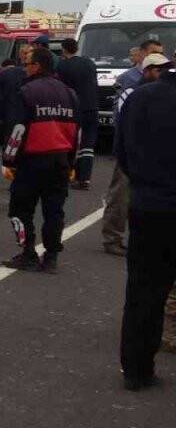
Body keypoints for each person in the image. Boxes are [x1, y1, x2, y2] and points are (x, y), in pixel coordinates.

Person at [114, 56, 176, 391]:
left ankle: (137, 369)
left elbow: (121, 152)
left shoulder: (140, 97)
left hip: (149, 205)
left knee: (144, 291)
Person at [0, 47, 78, 273]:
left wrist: (8, 161)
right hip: (60, 161)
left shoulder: (26, 92)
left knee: (19, 210)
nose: (24, 68)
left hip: (31, 161)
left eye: (27, 64)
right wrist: (71, 163)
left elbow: (16, 130)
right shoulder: (70, 93)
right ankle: (51, 257)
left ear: (37, 66)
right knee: (54, 211)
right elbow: (77, 133)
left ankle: (28, 253)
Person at [102, 41, 164, 254]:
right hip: (132, 147)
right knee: (121, 194)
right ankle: (112, 238)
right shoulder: (129, 80)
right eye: (155, 53)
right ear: (143, 54)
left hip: (153, 148)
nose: (160, 58)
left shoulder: (159, 80)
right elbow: (122, 117)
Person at [56, 38, 98, 189]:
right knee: (88, 144)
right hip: (92, 107)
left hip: (74, 108)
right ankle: (84, 178)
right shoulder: (89, 63)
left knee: (71, 143)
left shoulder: (63, 66)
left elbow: (61, 88)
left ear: (63, 49)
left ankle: (68, 175)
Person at [0, 45, 32, 146]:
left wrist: (1, 116)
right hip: (29, 117)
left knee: (11, 145)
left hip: (10, 116)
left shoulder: (0, 76)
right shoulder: (31, 74)